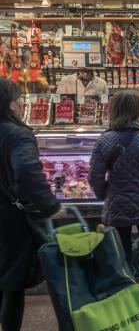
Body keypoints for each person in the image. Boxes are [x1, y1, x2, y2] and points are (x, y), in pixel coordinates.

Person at [88, 91, 139, 310]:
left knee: (122, 255)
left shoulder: (105, 139)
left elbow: (94, 176)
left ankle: (126, 301)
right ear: (137, 111)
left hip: (117, 204)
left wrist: (104, 193)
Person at [0, 79, 65, 331]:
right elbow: (27, 172)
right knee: (12, 284)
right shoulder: (17, 134)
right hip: (9, 218)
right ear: (11, 104)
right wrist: (49, 206)